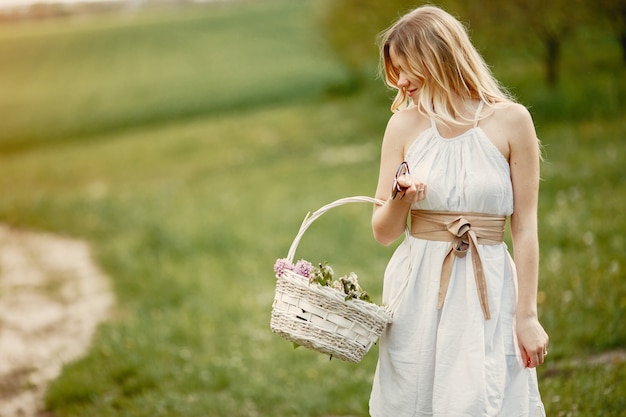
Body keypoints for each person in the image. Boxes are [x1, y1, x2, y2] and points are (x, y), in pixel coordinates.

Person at [369, 5, 549, 417]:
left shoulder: (511, 122)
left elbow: (524, 228)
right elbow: (382, 231)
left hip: (488, 286)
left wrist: (527, 316)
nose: (402, 81)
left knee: (482, 397)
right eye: (395, 71)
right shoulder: (403, 127)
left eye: (408, 67)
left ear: (440, 56)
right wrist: (402, 198)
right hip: (419, 288)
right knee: (416, 398)